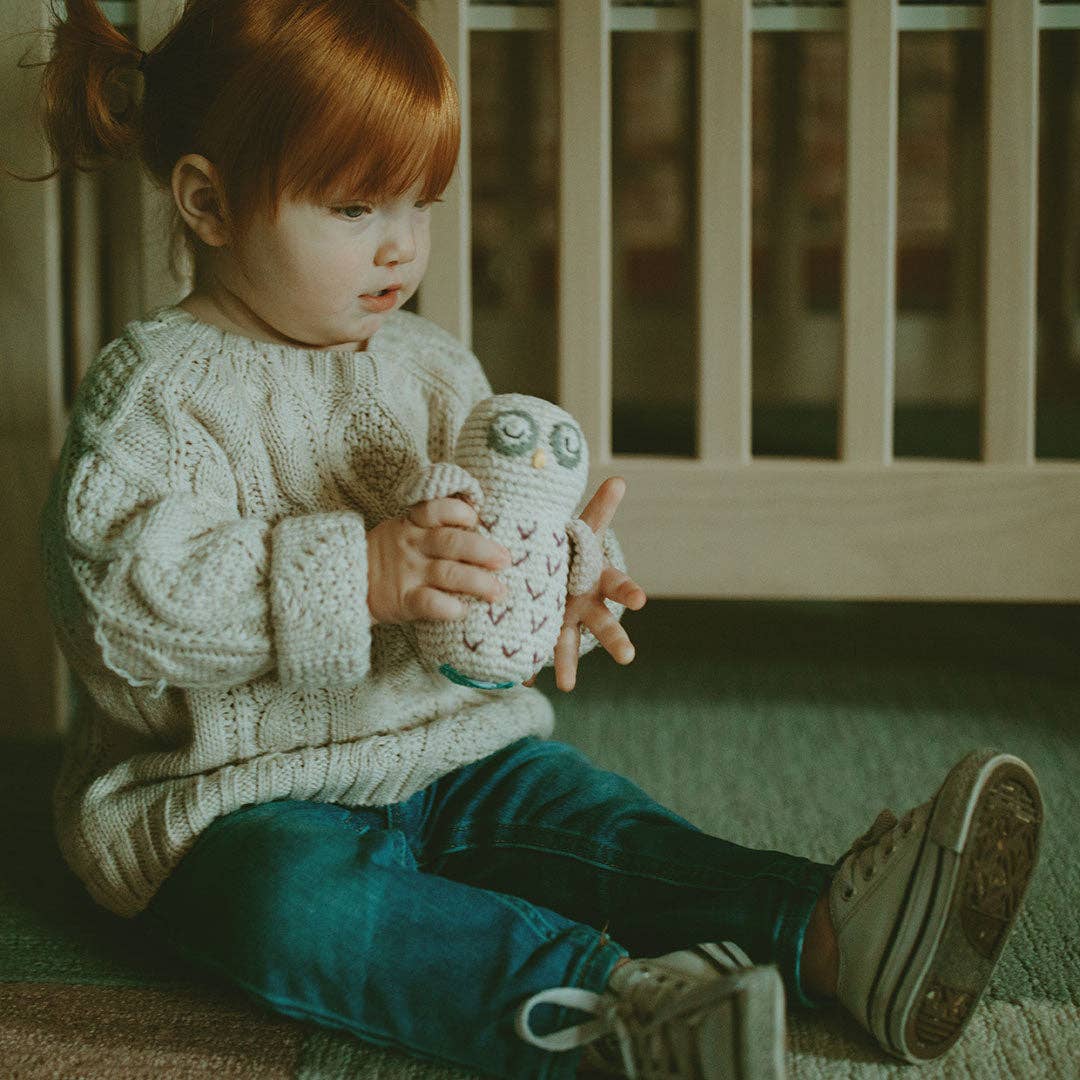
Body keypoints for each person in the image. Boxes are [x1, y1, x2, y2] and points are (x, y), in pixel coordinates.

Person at [23, 2, 1043, 1077]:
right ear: (208, 202)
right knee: (302, 907)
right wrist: (360, 573)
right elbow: (118, 606)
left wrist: (551, 577)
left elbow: (475, 550)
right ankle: (623, 1013)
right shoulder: (156, 392)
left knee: (601, 826)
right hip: (235, 799)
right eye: (354, 203)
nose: (400, 244)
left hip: (450, 753)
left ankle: (829, 934)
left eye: (420, 201)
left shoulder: (428, 366)